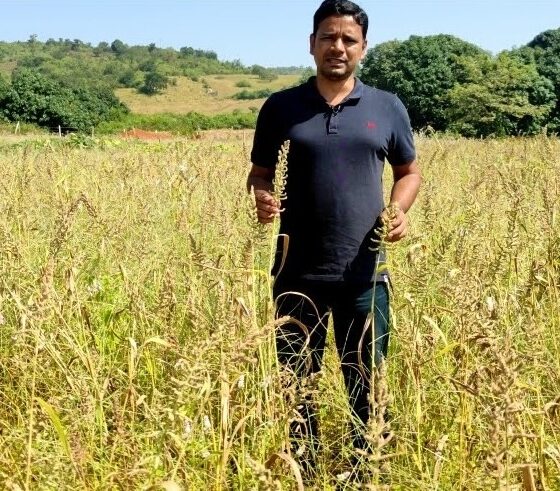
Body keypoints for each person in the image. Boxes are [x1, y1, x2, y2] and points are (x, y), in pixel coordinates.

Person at [246, 0, 421, 474]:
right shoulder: (281, 108)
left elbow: (408, 172)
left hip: (366, 275)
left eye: (348, 39)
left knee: (366, 385)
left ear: (363, 48)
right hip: (295, 273)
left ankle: (364, 476)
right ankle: (304, 472)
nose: (337, 47)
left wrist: (398, 210)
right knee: (296, 385)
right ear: (312, 44)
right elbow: (260, 174)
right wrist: (262, 196)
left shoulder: (387, 107)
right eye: (328, 37)